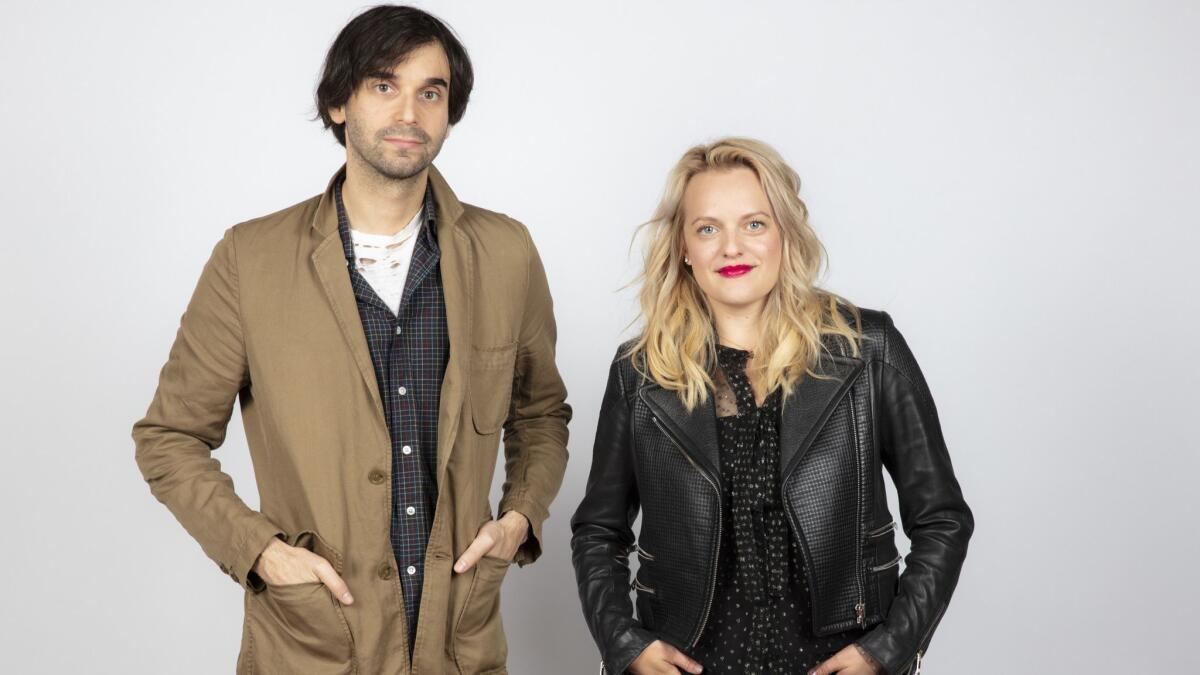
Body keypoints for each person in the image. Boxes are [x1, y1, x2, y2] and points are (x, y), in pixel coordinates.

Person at [132, 6, 570, 673]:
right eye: (383, 85)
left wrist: (519, 517)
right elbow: (168, 437)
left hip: (460, 642)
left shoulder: (505, 252)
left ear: (451, 112)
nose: (410, 112)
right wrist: (258, 549)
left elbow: (541, 412)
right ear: (338, 102)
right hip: (312, 645)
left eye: (432, 91)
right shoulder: (251, 259)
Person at [570, 138, 973, 675]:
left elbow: (943, 519)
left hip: (836, 662)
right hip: (693, 662)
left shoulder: (867, 348)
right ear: (684, 247)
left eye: (754, 224)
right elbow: (598, 531)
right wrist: (625, 645)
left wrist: (889, 649)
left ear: (785, 232)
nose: (731, 247)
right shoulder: (642, 372)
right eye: (708, 228)